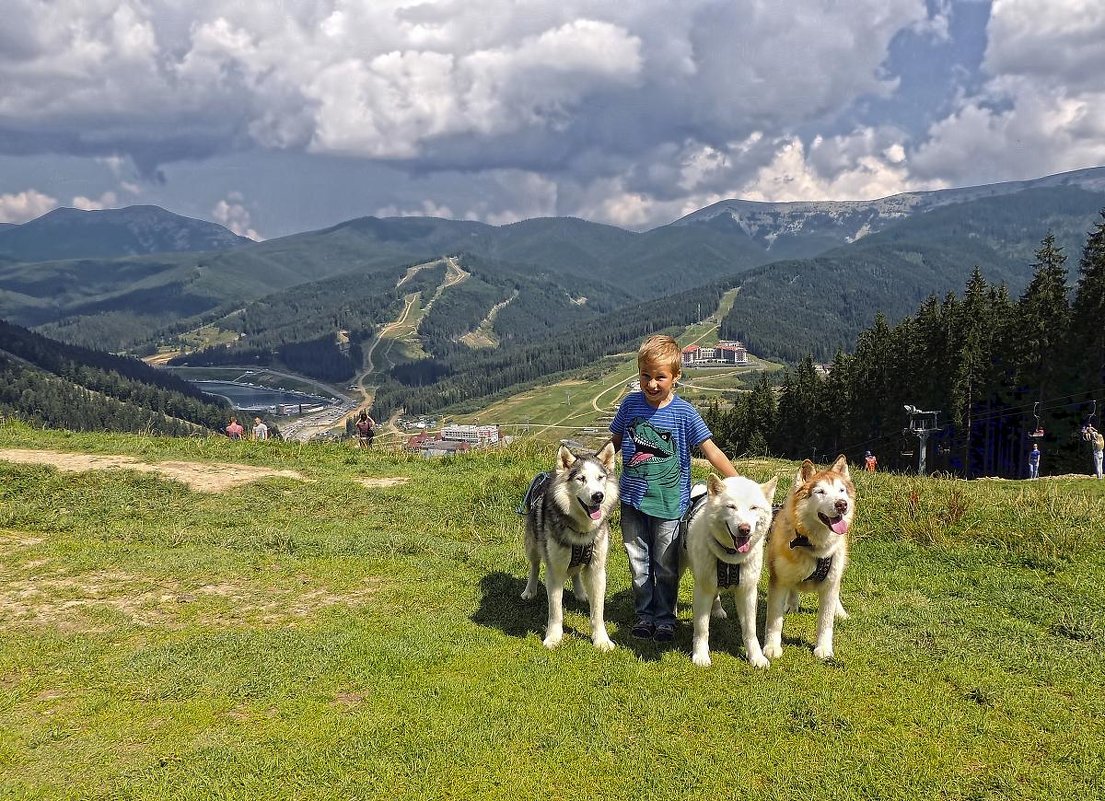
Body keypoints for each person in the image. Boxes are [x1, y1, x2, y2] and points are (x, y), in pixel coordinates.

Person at [610, 334, 738, 643]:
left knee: (666, 565)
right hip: (632, 501)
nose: (652, 384)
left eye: (660, 377)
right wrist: (596, 465)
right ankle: (644, 614)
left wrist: (736, 482)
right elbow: (614, 442)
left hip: (670, 504)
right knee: (638, 563)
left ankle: (666, 618)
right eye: (645, 376)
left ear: (676, 377)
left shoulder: (685, 413)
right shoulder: (630, 405)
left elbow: (712, 450)